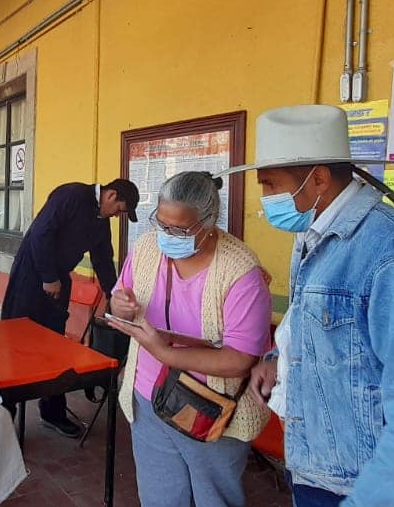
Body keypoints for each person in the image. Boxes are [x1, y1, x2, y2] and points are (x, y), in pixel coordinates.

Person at [226, 105, 394, 507]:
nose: (265, 199)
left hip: (365, 484)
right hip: (319, 465)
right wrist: (279, 358)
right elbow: (330, 330)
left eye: (270, 184)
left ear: (317, 179)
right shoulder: (314, 237)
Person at [106, 171, 272, 507]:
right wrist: (119, 305)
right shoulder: (147, 247)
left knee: (214, 499)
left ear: (209, 222)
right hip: (148, 396)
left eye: (179, 229)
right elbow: (117, 298)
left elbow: (238, 360)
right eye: (161, 224)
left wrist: (164, 353)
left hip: (211, 408)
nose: (166, 236)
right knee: (159, 498)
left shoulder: (240, 270)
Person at [0, 178, 139, 437]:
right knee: (15, 343)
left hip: (58, 281)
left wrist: (114, 296)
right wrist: (48, 277)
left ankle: (53, 412)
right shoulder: (72, 195)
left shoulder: (100, 222)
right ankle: (4, 416)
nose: (118, 215)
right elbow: (40, 233)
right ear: (111, 195)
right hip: (31, 275)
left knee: (55, 348)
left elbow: (103, 261)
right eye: (120, 209)